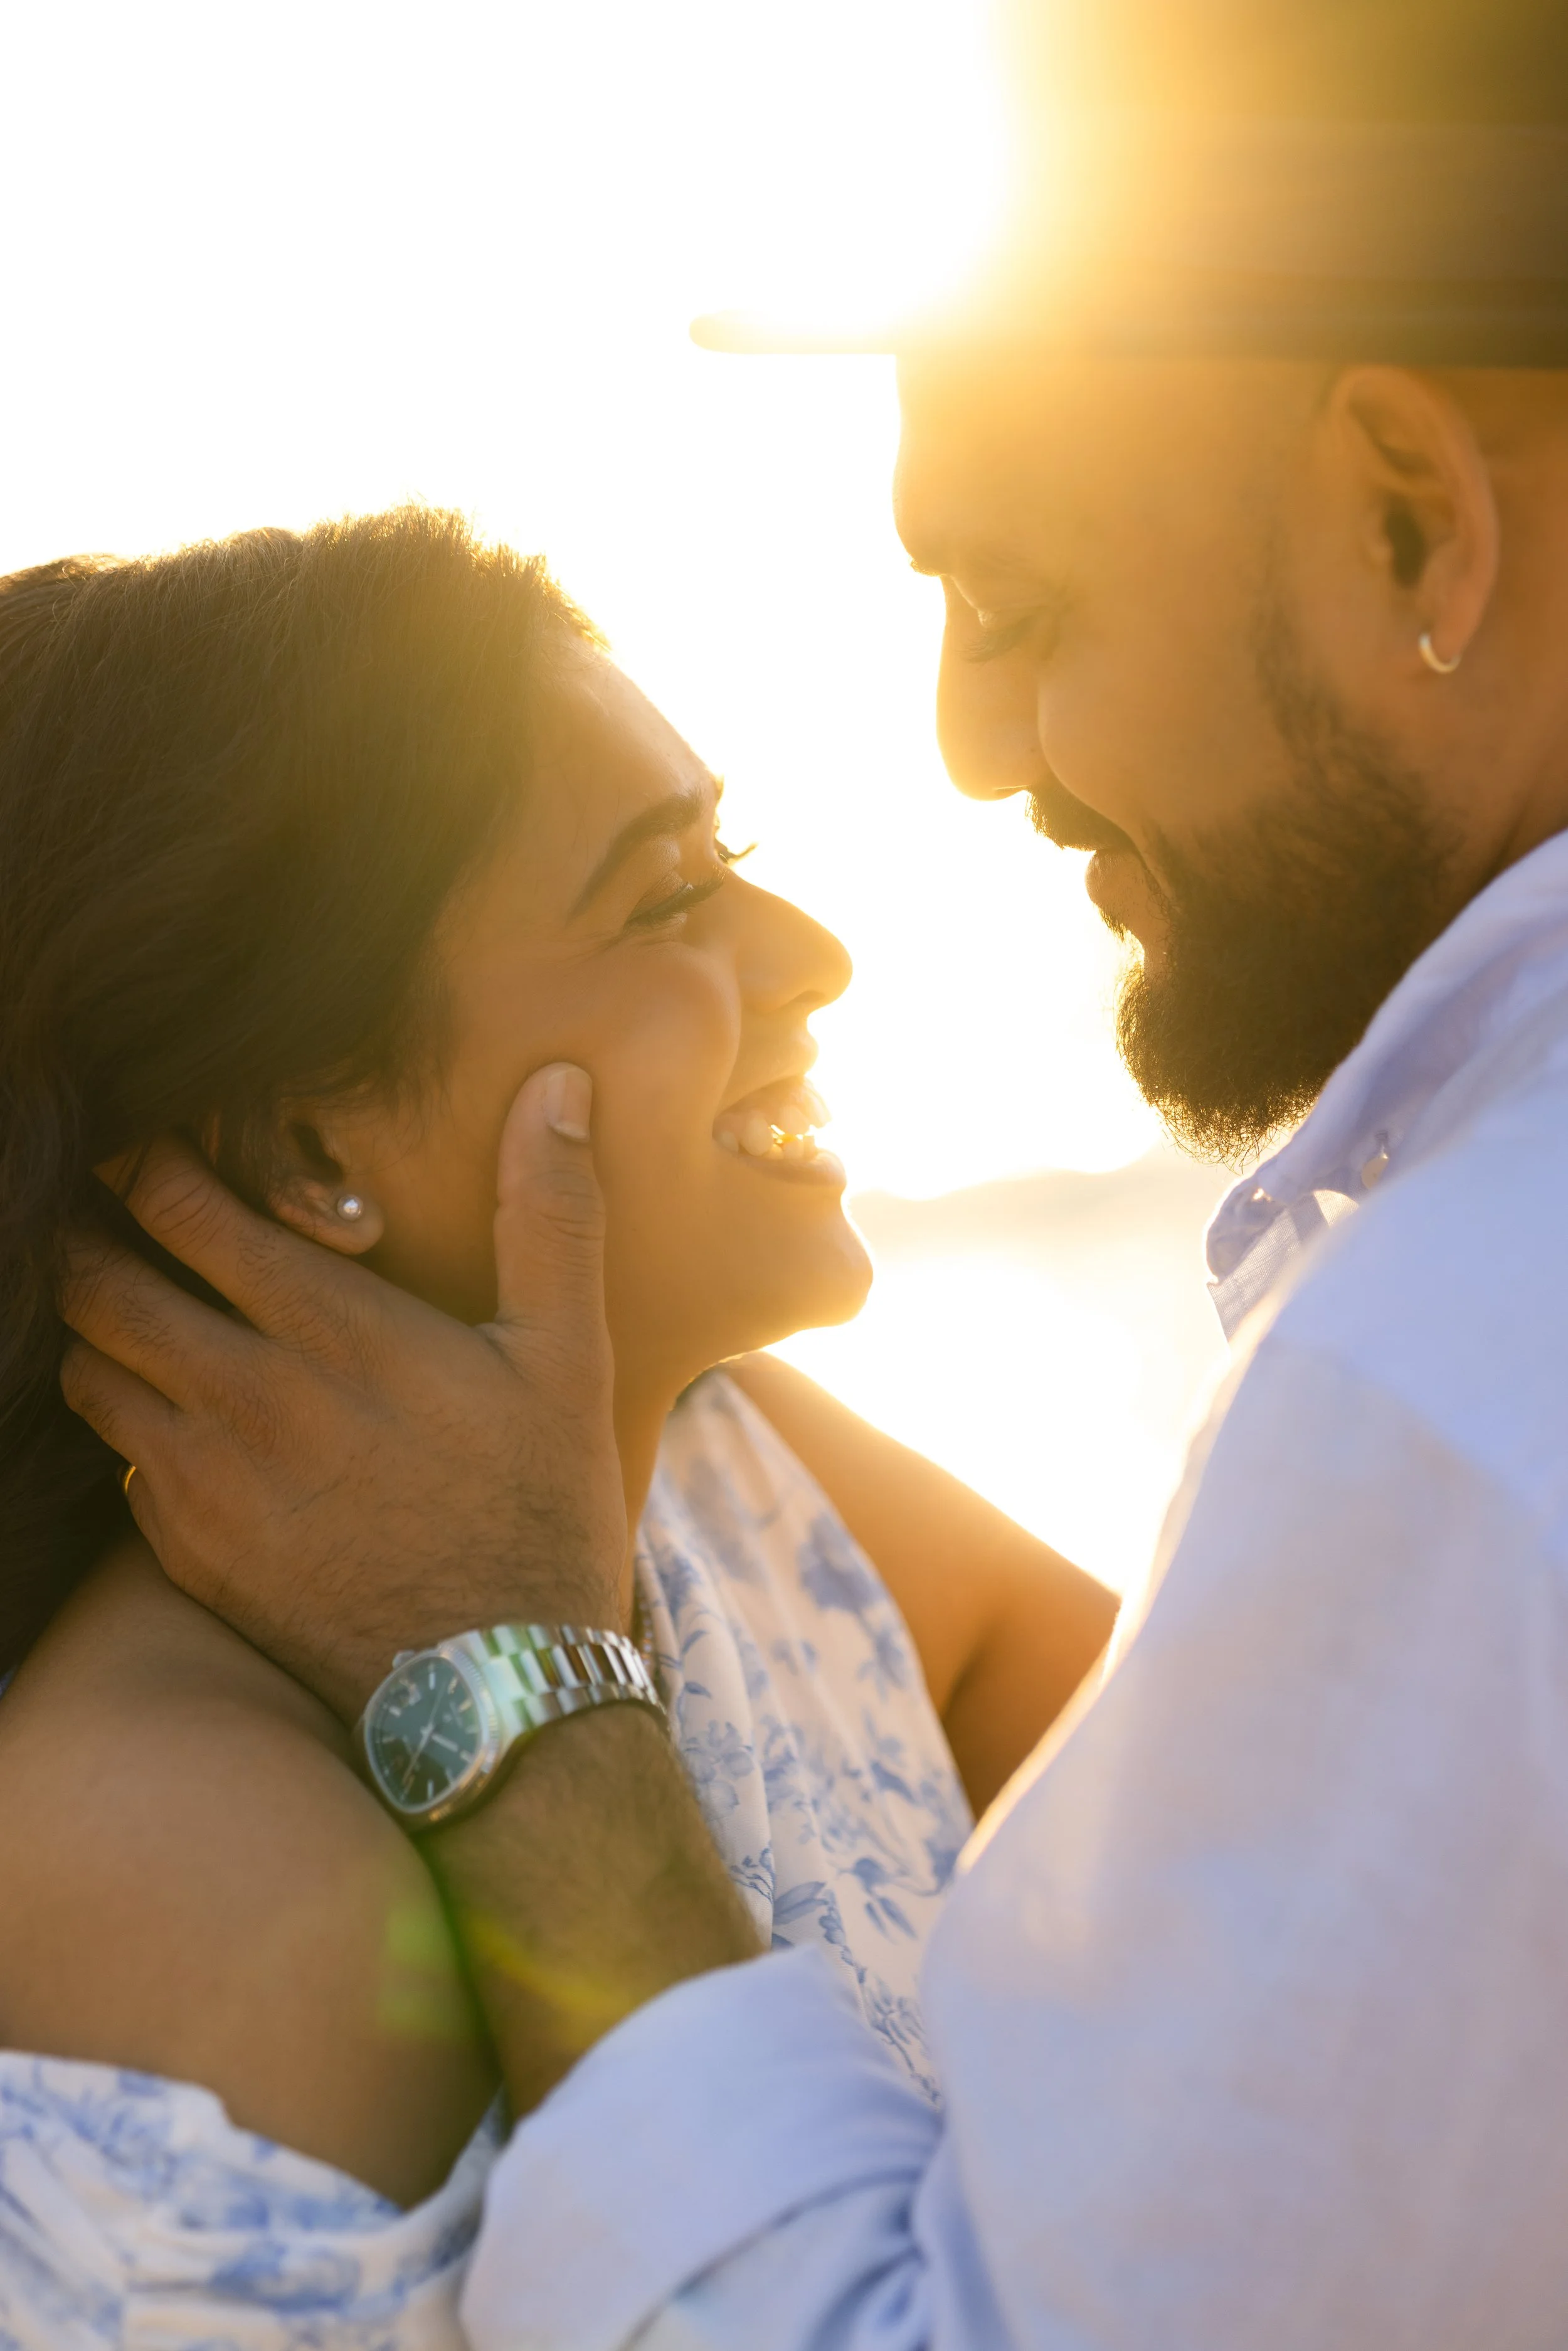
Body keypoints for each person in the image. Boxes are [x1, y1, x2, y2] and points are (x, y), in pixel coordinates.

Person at [42, 0, 1568, 2339]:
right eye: (667, 893)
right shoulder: (634, 1560)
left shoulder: (1453, 1398)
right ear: (307, 1149)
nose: (963, 748)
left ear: (1408, 522)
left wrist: (508, 1686)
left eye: (1022, 602)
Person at [0, 512, 1113, 2342]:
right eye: (662, 898)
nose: (814, 952)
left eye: (731, 857)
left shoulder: (736, 1475)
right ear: (310, 1151)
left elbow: (1243, 1845)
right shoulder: (213, 1879)